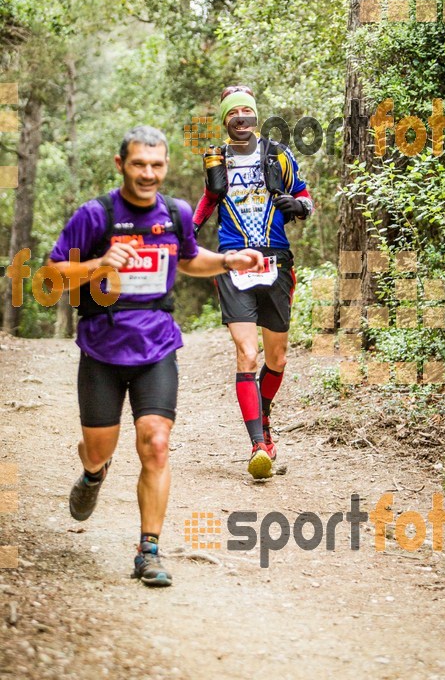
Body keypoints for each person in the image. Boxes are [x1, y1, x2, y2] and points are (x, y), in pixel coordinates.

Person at [48, 125, 263, 587]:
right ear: (121, 164)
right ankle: (92, 474)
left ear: (166, 166)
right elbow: (50, 277)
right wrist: (98, 265)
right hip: (102, 348)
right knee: (98, 449)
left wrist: (228, 260)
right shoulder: (95, 216)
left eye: (157, 164)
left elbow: (187, 259)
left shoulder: (176, 213)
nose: (148, 173)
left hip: (157, 346)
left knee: (156, 443)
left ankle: (149, 550)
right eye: (139, 164)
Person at [193, 85, 313, 480]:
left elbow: (305, 196)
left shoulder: (278, 154)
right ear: (225, 120)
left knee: (276, 359)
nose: (241, 118)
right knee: (247, 354)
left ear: (255, 117)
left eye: (247, 111)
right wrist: (187, 232)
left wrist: (298, 207)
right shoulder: (216, 157)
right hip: (233, 264)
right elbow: (210, 200)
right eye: (233, 113)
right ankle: (258, 443)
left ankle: (265, 414)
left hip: (276, 262)